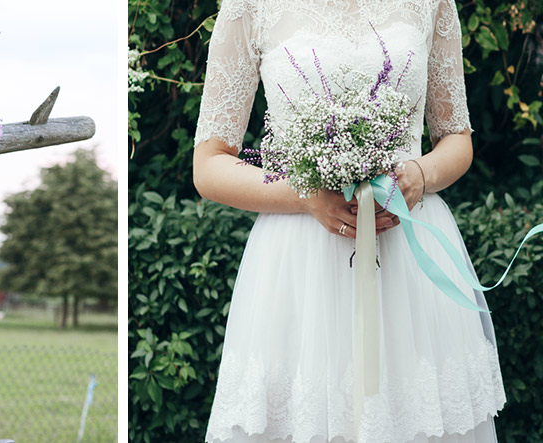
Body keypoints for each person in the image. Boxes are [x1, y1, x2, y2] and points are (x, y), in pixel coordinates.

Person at [192, 0, 506, 441]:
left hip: (408, 258)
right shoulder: (249, 6)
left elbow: (456, 137)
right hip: (299, 264)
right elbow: (208, 166)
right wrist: (304, 196)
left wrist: (419, 174)